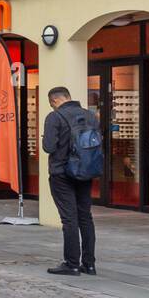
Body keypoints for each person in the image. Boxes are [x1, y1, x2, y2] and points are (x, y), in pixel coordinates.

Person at [42, 86, 98, 276]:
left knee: (69, 219)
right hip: (85, 171)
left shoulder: (54, 117)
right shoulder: (90, 115)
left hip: (62, 173)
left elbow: (48, 147)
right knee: (85, 217)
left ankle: (72, 263)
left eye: (52, 104)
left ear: (55, 101)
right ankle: (89, 264)